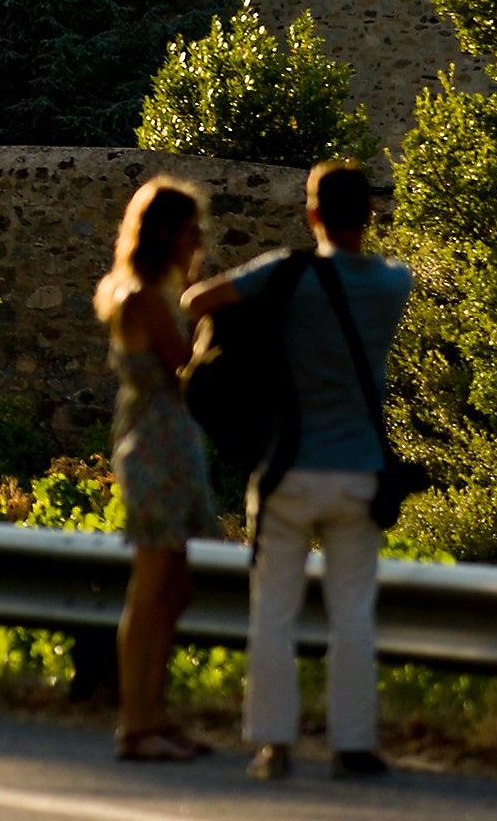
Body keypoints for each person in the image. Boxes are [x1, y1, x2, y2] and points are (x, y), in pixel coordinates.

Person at [194, 160, 413, 781]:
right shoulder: (395, 283)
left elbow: (198, 301)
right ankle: (353, 745)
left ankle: (274, 744)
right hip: (361, 472)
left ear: (312, 212)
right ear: (370, 215)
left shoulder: (285, 273)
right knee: (353, 614)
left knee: (274, 612)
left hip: (288, 466)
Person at [92, 177, 211, 760]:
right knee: (152, 588)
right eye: (190, 230)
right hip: (156, 450)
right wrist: (211, 317)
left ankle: (155, 715)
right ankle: (136, 723)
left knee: (174, 587)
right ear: (165, 232)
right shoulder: (142, 296)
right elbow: (187, 367)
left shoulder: (147, 291)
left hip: (170, 446)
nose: (199, 240)